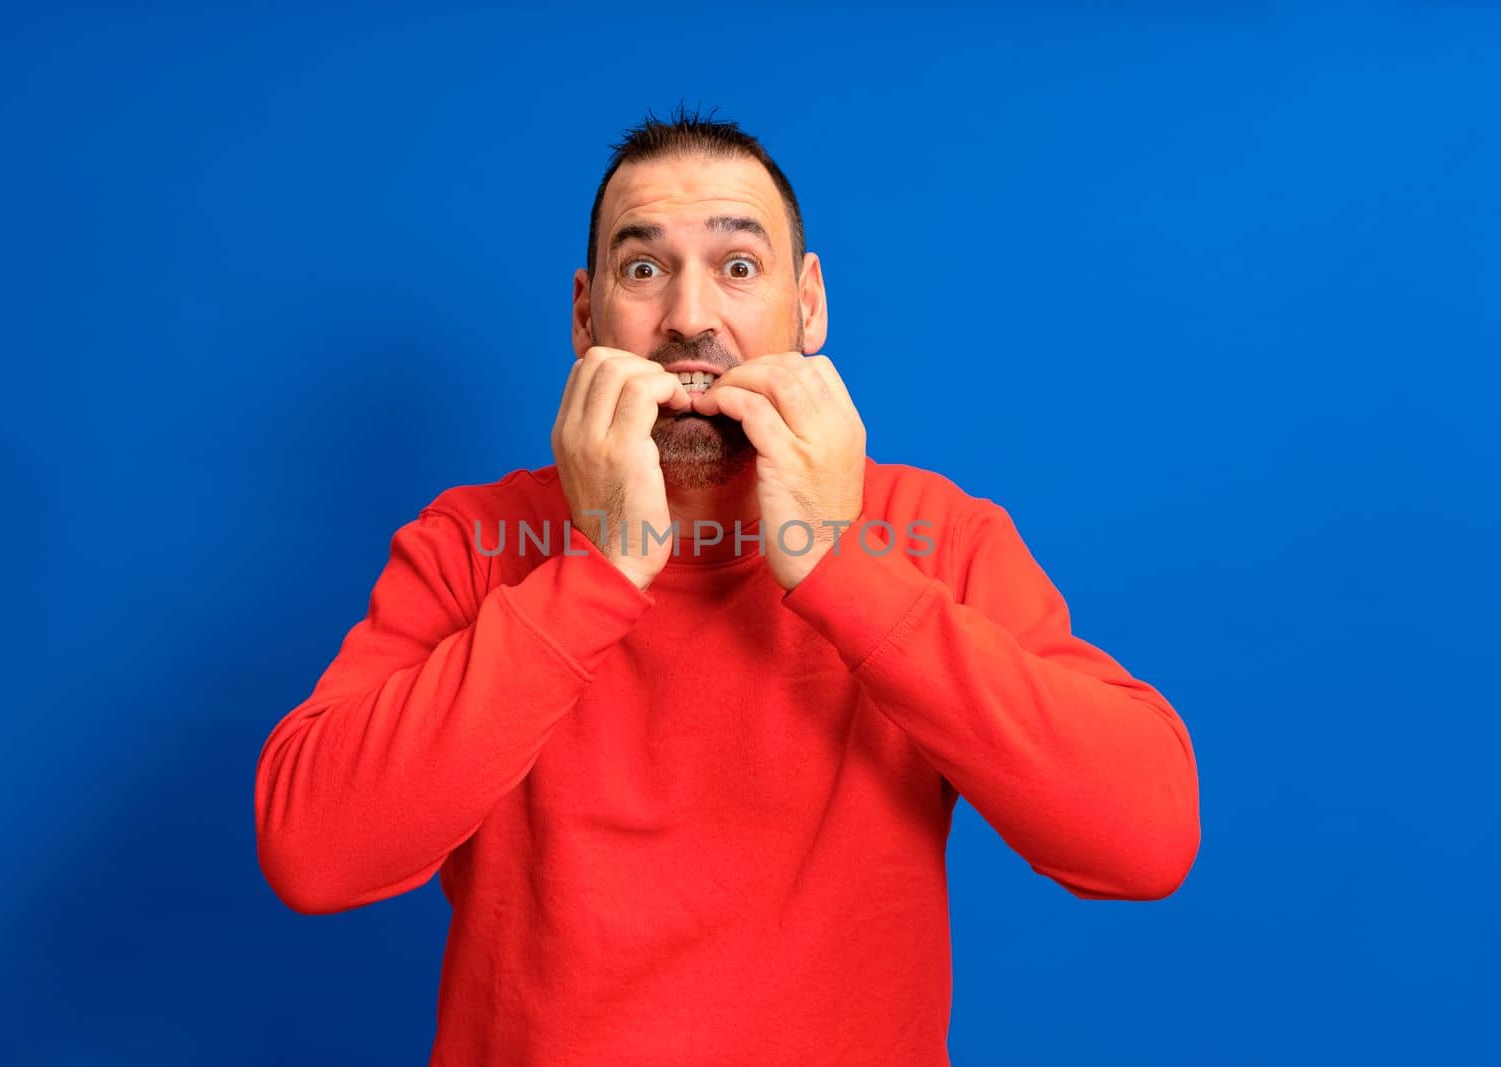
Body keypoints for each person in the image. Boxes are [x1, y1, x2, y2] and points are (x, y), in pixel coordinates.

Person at [254, 105, 1201, 1067]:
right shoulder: (475, 540)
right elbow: (314, 851)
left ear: (810, 304)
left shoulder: (937, 537)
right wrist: (601, 569)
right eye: (643, 269)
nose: (691, 317)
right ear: (587, 316)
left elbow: (1145, 838)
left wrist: (839, 563)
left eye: (738, 267)